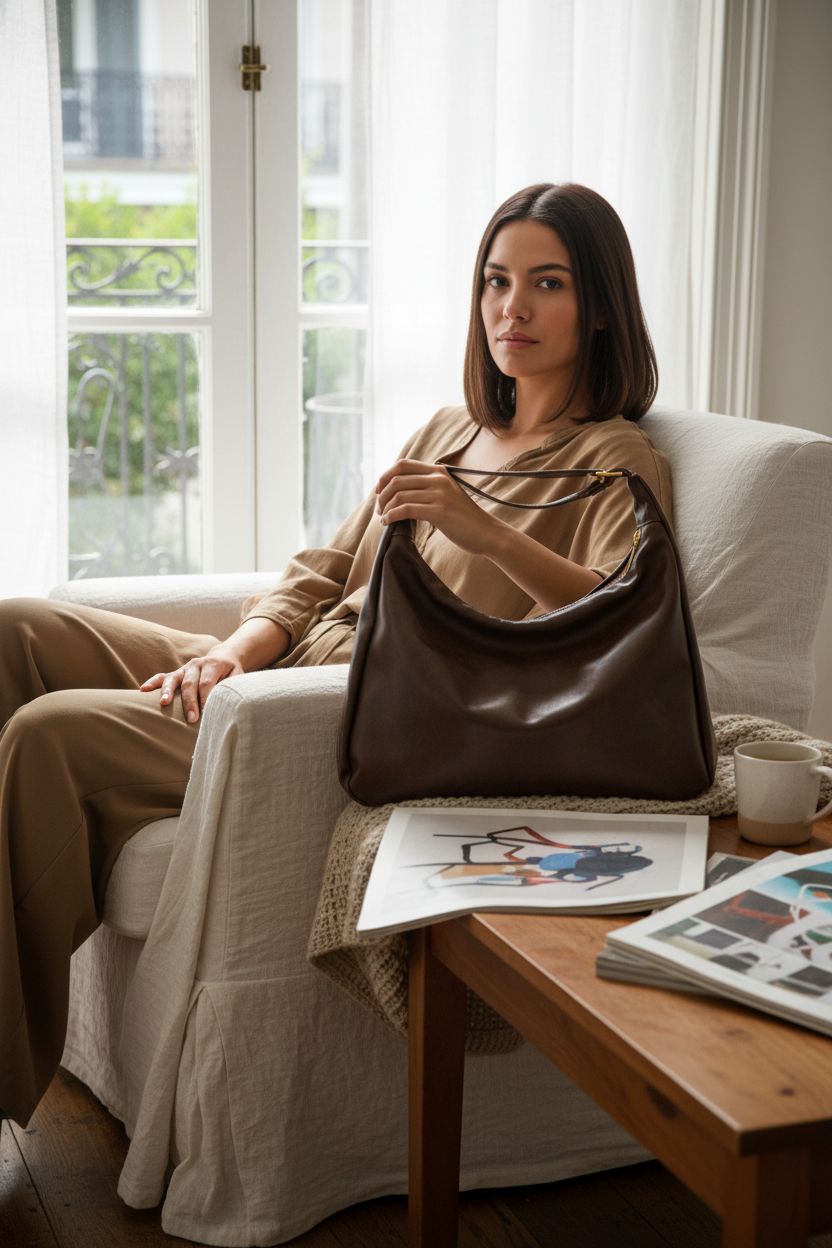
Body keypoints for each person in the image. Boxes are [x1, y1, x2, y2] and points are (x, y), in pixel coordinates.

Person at [0, 182, 672, 1126]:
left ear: (600, 307)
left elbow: (619, 619)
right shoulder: (449, 429)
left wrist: (482, 532)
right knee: (15, 628)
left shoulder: (616, 460)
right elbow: (321, 570)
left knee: (47, 734)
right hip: (283, 667)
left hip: (338, 714)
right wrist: (230, 656)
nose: (510, 308)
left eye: (547, 283)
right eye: (495, 280)